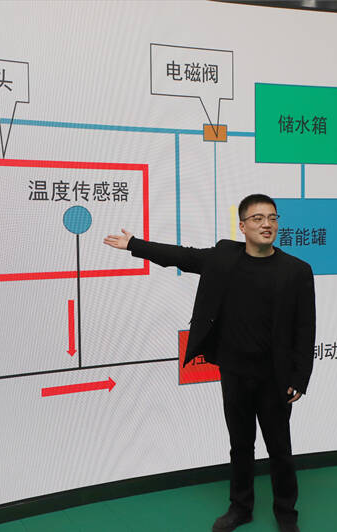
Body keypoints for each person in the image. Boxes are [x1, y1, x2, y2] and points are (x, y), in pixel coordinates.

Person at [103, 193, 315, 532]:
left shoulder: (297, 271)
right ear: (242, 226)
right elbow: (182, 256)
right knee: (240, 446)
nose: (267, 224)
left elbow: (305, 329)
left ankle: (286, 513)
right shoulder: (224, 257)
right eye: (258, 218)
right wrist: (135, 245)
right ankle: (240, 508)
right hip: (234, 372)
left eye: (272, 218)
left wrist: (299, 378)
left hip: (275, 377)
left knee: (280, 449)